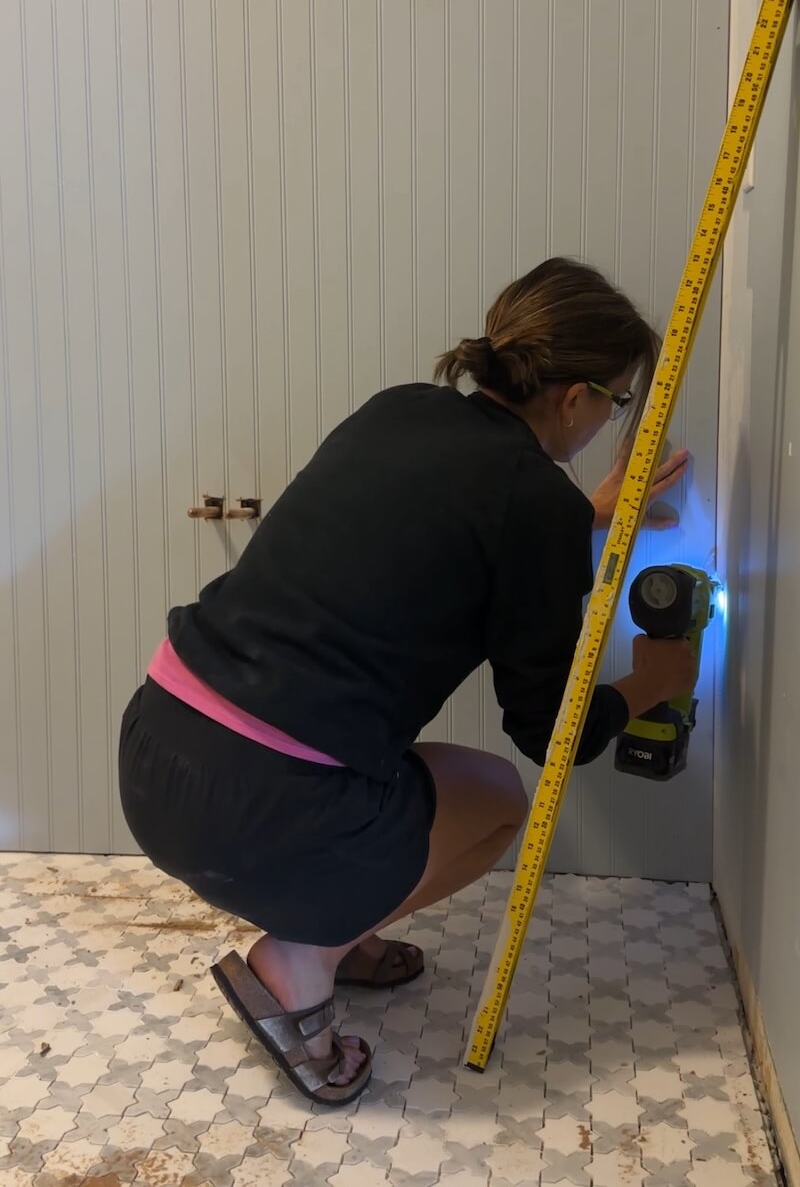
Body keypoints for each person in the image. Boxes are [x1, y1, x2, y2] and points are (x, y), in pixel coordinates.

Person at [118, 257, 696, 1106]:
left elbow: (457, 514)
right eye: (615, 402)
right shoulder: (532, 501)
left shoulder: (402, 410)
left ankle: (335, 932)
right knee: (501, 799)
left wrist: (586, 513)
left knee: (396, 766)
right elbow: (550, 736)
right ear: (573, 398)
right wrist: (653, 680)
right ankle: (302, 958)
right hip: (268, 803)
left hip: (156, 752)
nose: (610, 418)